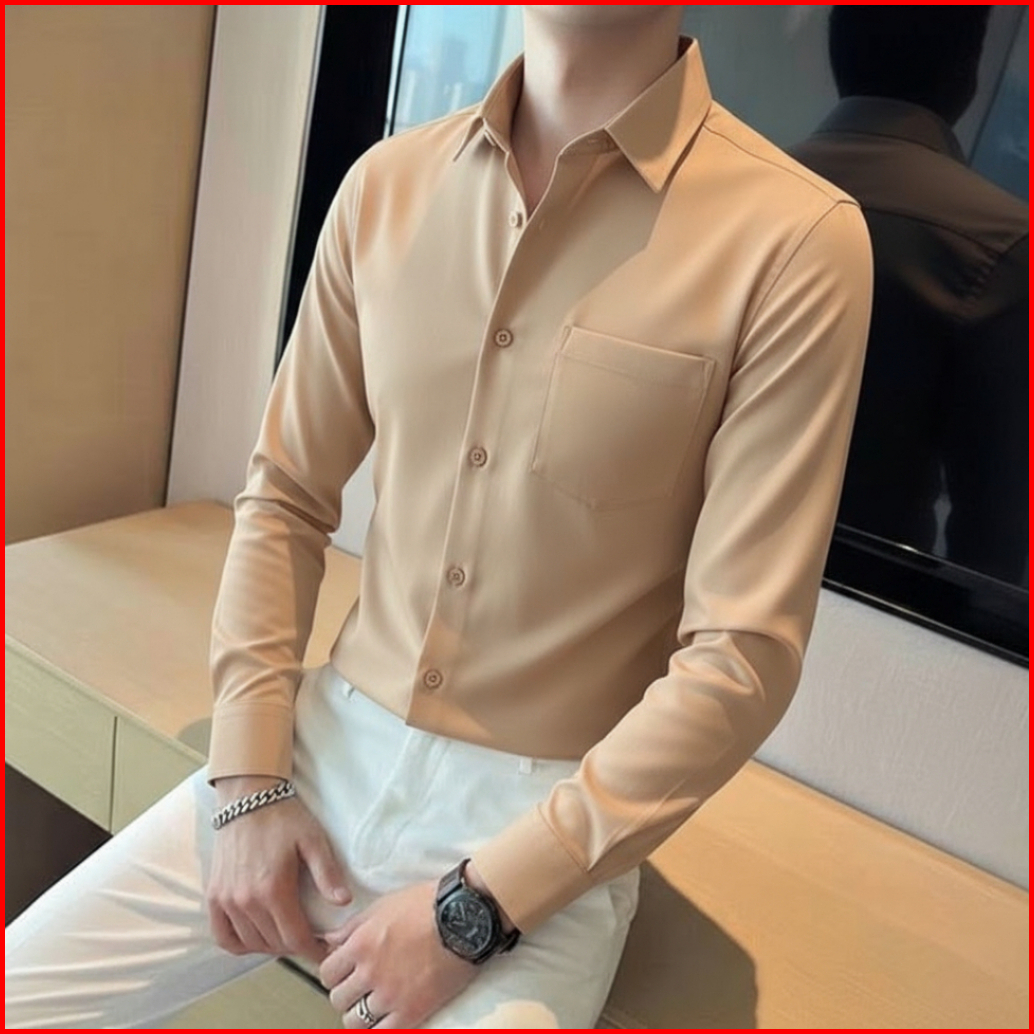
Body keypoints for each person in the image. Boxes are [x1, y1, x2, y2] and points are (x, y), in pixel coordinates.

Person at [5, 6, 872, 1029]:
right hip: (322, 748)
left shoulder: (795, 240)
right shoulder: (386, 186)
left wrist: (479, 909)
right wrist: (246, 779)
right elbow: (284, 495)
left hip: (541, 835)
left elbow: (740, 658)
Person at [791, 6, 1028, 584]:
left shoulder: (721, 193)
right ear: (967, 69)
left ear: (837, 51)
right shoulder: (1002, 243)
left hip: (681, 587)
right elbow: (996, 545)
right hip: (876, 602)